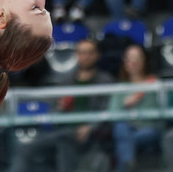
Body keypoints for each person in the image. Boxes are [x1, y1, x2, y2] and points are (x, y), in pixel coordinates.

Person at [14, 39, 113, 172]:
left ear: (97, 55)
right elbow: (53, 112)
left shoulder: (105, 81)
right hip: (64, 131)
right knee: (26, 148)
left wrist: (90, 127)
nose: (86, 57)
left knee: (64, 142)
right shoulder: (66, 81)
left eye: (90, 53)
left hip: (92, 135)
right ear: (77, 55)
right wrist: (60, 108)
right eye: (82, 53)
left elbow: (107, 110)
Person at [109, 45, 162, 172]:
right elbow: (112, 113)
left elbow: (161, 112)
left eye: (137, 59)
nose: (133, 63)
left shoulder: (154, 83)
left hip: (149, 129)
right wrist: (125, 103)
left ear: (144, 61)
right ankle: (128, 162)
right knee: (121, 128)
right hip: (127, 129)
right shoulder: (120, 87)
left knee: (124, 142)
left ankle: (127, 162)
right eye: (129, 59)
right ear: (125, 63)